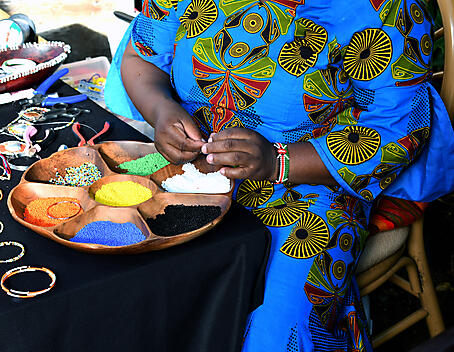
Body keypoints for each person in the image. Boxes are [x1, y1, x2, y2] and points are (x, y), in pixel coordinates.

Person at [106, 0, 454, 350]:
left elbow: (400, 129)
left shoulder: (380, 8)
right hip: (188, 171)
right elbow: (143, 56)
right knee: (118, 285)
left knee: (273, 327)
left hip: (313, 186)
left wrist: (277, 162)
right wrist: (162, 109)